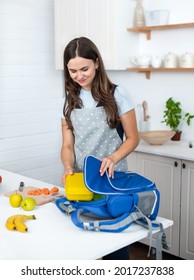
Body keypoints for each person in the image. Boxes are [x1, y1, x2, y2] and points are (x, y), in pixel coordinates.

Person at [60, 37, 139, 259]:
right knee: (85, 247)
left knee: (114, 249)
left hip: (112, 182)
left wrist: (113, 158)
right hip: (81, 182)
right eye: (73, 71)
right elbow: (67, 144)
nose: (79, 76)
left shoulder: (117, 94)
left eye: (84, 68)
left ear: (96, 62)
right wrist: (67, 165)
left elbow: (133, 138)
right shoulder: (68, 99)